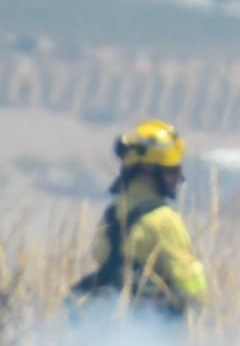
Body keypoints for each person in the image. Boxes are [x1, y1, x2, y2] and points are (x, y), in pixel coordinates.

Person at [71, 119, 209, 319]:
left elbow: (99, 255)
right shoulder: (164, 219)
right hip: (154, 329)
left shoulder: (114, 211)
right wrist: (205, 313)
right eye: (172, 170)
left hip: (109, 319)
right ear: (147, 173)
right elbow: (188, 278)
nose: (179, 178)